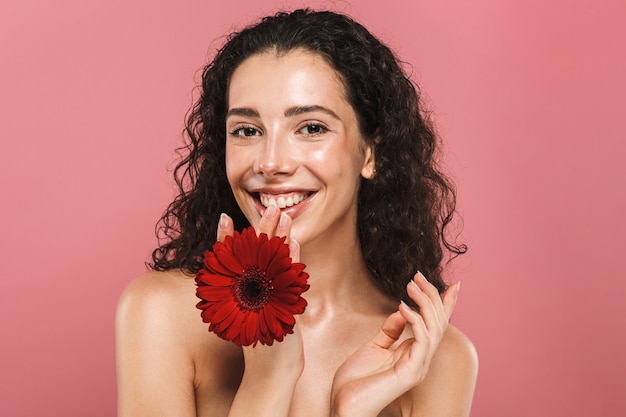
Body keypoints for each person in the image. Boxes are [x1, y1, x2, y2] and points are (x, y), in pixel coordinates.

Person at [116, 8, 478, 417]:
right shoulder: (162, 314)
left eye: (310, 128)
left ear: (371, 152)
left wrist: (349, 410)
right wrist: (268, 381)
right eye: (247, 131)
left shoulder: (432, 357)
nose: (270, 163)